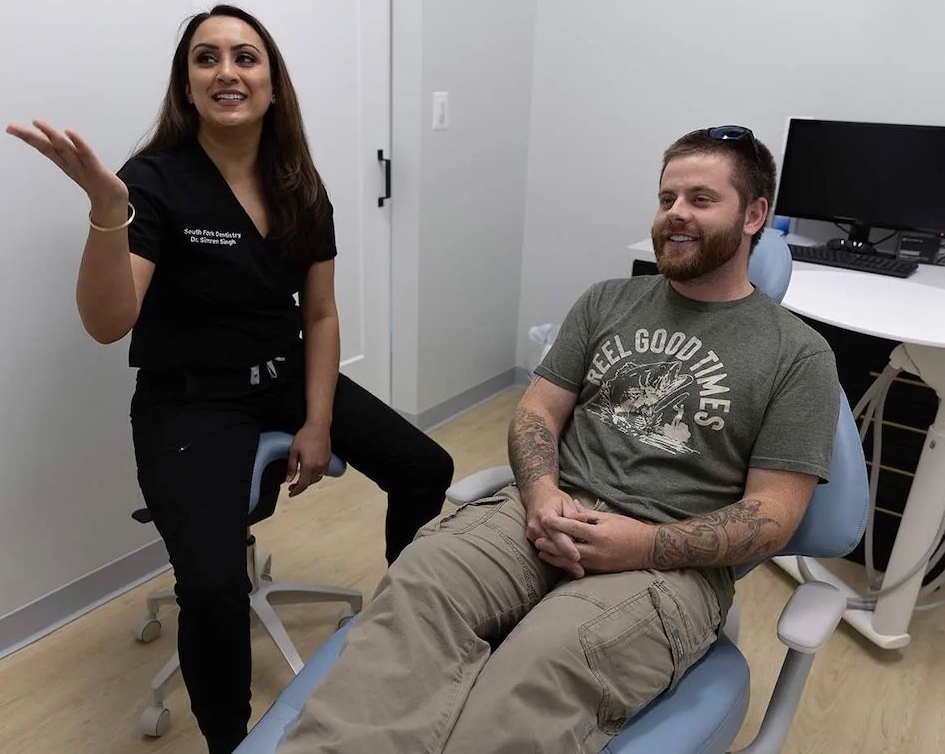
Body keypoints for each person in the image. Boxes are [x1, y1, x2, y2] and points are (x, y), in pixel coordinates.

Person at [277, 126, 841, 753]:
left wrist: (643, 544)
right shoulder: (608, 302)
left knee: (543, 663)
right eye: (666, 198)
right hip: (543, 515)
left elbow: (774, 516)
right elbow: (537, 413)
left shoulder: (799, 355)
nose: (675, 213)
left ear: (755, 215)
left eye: (701, 199)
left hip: (667, 562)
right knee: (421, 585)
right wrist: (542, 494)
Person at [6, 4, 453, 753]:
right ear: (186, 87)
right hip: (192, 401)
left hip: (282, 376)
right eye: (206, 59)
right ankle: (230, 742)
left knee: (425, 467)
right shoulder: (152, 183)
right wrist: (107, 212)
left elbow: (319, 318)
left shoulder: (299, 185)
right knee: (212, 587)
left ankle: (398, 636)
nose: (227, 72)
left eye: (245, 57)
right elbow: (108, 322)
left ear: (272, 84)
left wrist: (316, 421)